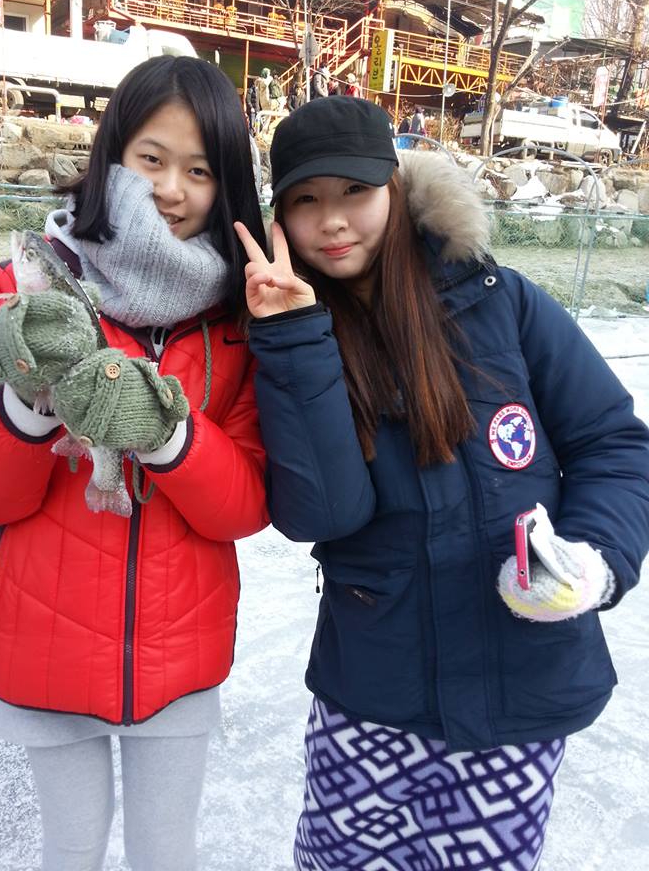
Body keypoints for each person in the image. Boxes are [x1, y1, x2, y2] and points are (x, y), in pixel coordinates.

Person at [235, 96, 649, 871]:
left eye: (355, 191)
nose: (333, 220)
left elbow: (613, 442)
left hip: (519, 689)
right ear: (280, 217)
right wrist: (291, 337)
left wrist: (593, 560)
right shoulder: (285, 332)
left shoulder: (502, 302)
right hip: (372, 698)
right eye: (306, 200)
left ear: (394, 189)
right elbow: (324, 512)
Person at [0, 55, 269, 871]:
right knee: (72, 848)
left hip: (179, 649)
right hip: (43, 640)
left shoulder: (238, 319)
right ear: (112, 154)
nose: (172, 190)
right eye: (151, 159)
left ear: (226, 186)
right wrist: (29, 403)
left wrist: (166, 437)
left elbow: (244, 505)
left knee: (166, 853)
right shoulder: (22, 288)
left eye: (200, 171)